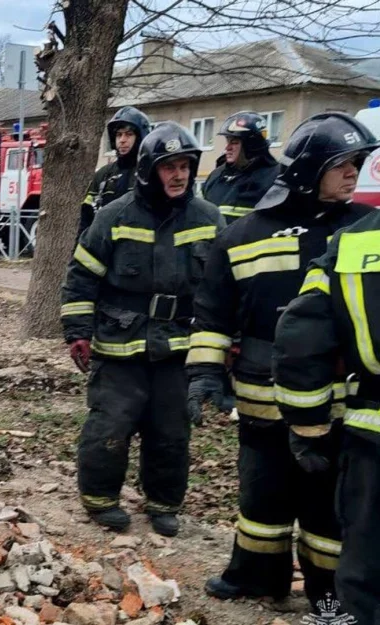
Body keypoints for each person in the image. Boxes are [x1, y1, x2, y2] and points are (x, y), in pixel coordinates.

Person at [190, 112, 376, 613]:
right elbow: (212, 312)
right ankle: (254, 577)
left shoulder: (365, 230)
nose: (352, 173)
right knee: (261, 497)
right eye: (341, 164)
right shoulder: (242, 234)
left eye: (357, 163)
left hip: (335, 403)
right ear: (308, 168)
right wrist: (206, 371)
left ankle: (331, 599)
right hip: (260, 397)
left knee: (327, 509)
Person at [61, 122, 223, 536]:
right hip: (119, 345)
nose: (180, 174)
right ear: (151, 169)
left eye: (186, 165)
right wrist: (78, 332)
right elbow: (82, 276)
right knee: (110, 425)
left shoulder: (208, 218)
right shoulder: (114, 215)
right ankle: (99, 500)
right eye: (170, 166)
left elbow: (223, 288)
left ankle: (163, 503)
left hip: (178, 346)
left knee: (171, 429)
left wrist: (226, 341)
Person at [275, 207, 380, 625]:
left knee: (368, 569)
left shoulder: (353, 243)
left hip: (373, 435)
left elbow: (301, 337)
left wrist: (308, 423)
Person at [76, 106, 151, 240]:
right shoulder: (103, 175)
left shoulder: (150, 174)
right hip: (104, 250)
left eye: (129, 134)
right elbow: (85, 221)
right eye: (118, 134)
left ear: (141, 138)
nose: (122, 140)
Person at [201, 111, 280, 224]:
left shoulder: (275, 177)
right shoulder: (216, 176)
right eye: (228, 141)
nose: (227, 148)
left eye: (234, 142)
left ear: (252, 144)